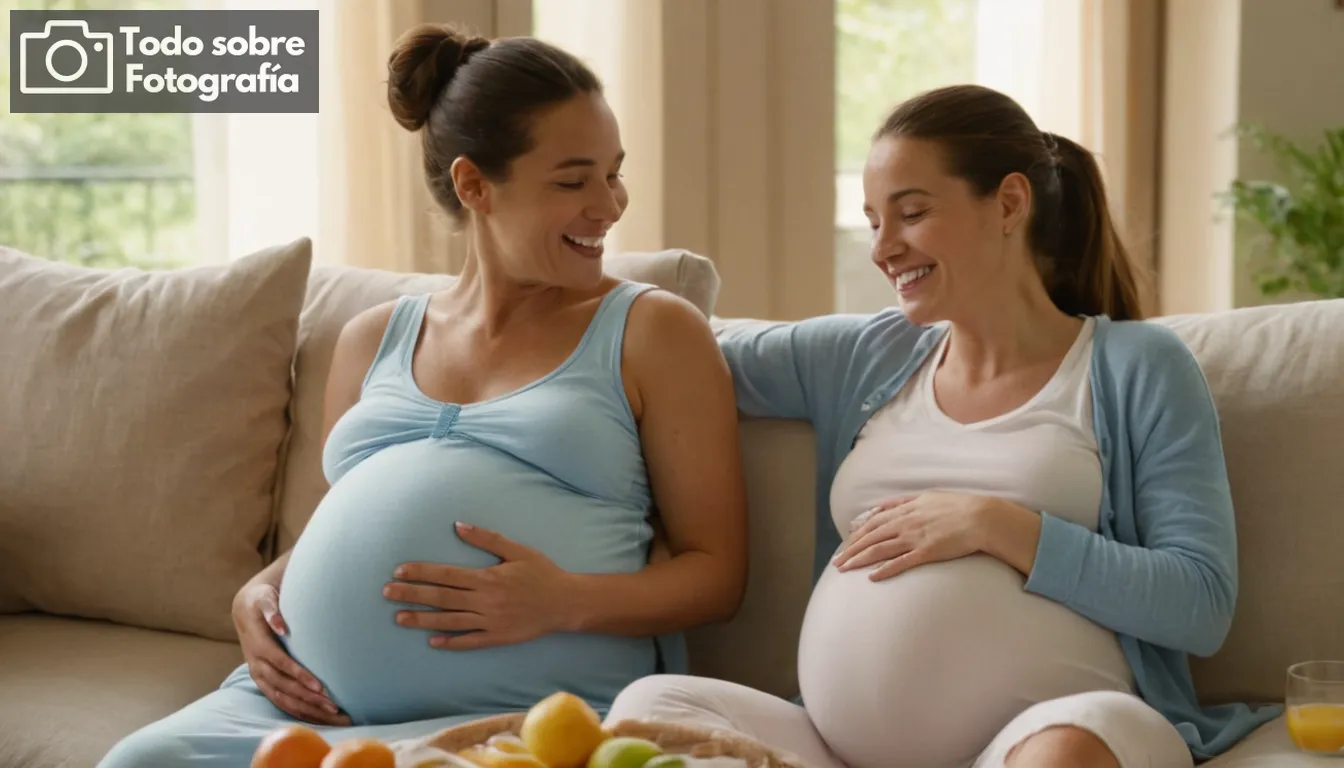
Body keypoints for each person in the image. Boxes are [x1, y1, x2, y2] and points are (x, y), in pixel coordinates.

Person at [97, 23, 748, 767]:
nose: (609, 204)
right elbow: (326, 532)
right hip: (306, 709)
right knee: (136, 762)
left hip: (527, 719)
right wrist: (260, 593)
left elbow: (716, 575)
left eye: (613, 172)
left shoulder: (651, 329)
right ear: (474, 185)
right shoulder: (371, 338)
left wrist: (564, 598)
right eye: (573, 180)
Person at [603, 84, 1282, 768]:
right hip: (836, 749)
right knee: (646, 713)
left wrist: (997, 524)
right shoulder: (864, 355)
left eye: (912, 213)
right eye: (873, 222)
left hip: (1058, 734)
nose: (883, 249)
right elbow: (674, 351)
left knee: (1065, 756)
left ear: (1010, 203)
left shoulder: (1137, 366)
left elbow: (1200, 603)